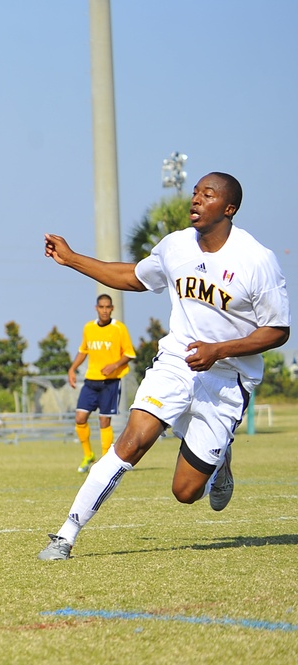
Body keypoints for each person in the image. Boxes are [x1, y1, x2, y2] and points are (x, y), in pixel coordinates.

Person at [39, 172, 290, 561]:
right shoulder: (175, 246)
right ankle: (65, 535)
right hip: (176, 362)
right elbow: (132, 277)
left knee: (185, 492)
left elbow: (277, 331)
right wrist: (72, 259)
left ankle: (220, 459)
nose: (195, 200)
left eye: (207, 195)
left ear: (229, 208)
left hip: (227, 378)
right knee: (131, 441)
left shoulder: (257, 260)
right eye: (194, 193)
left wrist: (219, 350)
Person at [68, 294, 137, 473]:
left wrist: (114, 365)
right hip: (91, 381)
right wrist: (72, 369)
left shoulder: (119, 328)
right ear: (96, 308)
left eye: (108, 307)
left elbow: (129, 354)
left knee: (104, 421)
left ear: (112, 308)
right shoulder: (89, 328)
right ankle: (88, 455)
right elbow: (83, 351)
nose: (105, 310)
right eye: (101, 307)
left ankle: (106, 459)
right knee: (80, 418)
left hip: (111, 382)